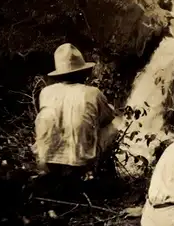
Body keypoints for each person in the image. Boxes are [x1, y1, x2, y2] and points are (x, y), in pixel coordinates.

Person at [32, 43, 121, 189]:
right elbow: (108, 120)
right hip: (80, 160)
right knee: (112, 126)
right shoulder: (92, 92)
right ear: (83, 72)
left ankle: (53, 171)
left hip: (46, 158)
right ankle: (91, 171)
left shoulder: (46, 92)